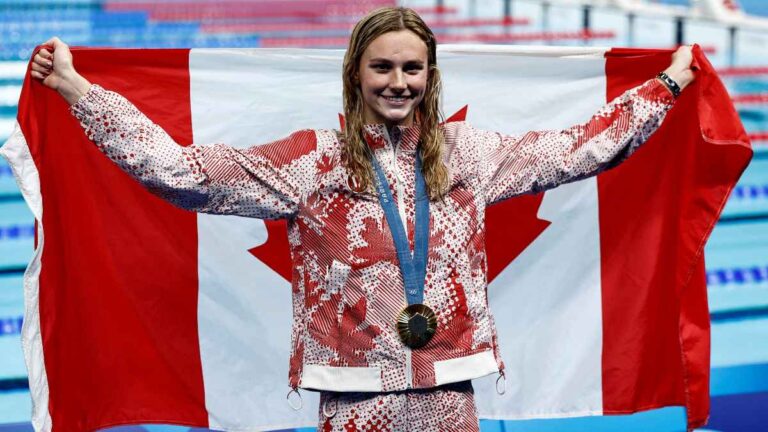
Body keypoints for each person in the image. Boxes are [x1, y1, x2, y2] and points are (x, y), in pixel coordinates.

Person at [30, 6, 695, 432]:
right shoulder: (310, 164)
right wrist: (78, 90)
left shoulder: (473, 155)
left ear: (431, 78)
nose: (398, 81)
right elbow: (180, 173)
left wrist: (664, 87)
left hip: (450, 386)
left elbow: (579, 149)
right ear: (356, 74)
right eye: (383, 66)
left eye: (412, 68)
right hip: (354, 398)